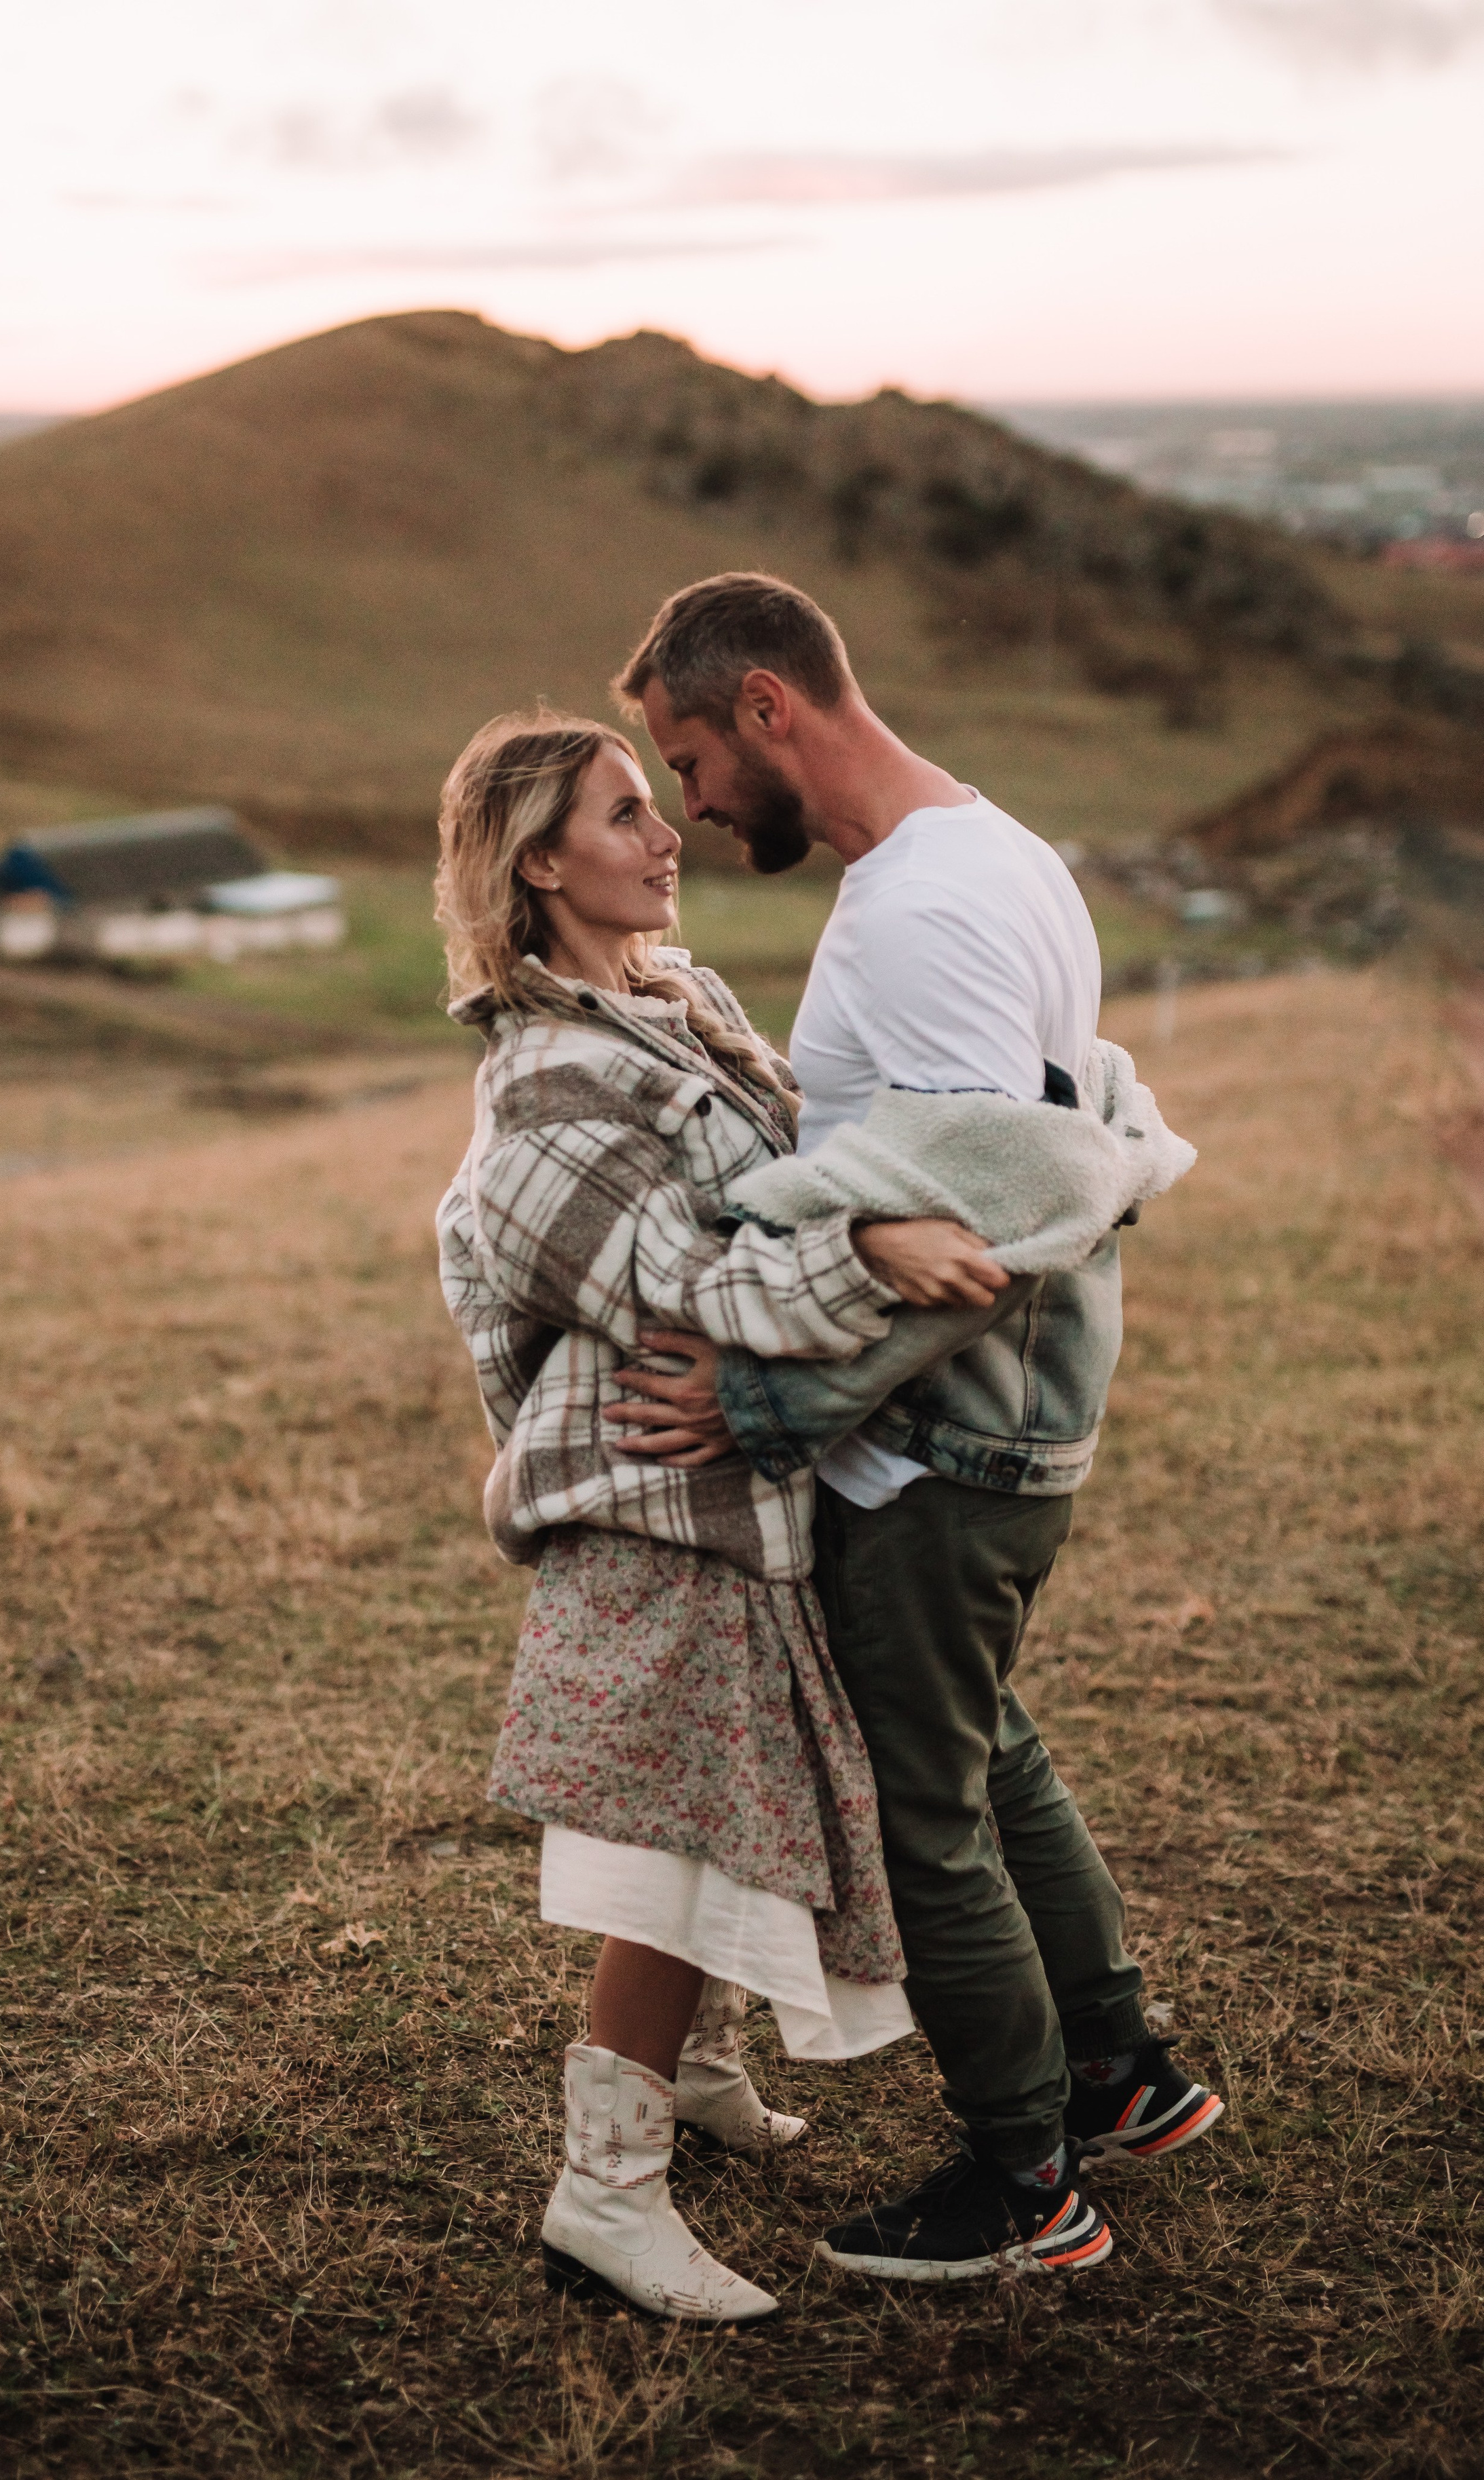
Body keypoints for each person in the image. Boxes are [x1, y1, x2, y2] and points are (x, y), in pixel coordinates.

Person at [606, 573, 1224, 2286]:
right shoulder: (993, 850)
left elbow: (986, 1238)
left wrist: (758, 1400)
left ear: (766, 710)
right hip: (998, 1435)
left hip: (945, 1448)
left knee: (916, 1808)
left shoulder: (915, 915)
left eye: (691, 760)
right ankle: (1120, 2069)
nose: (691, 806)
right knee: (984, 1744)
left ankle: (1023, 2184)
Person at [434, 711, 1061, 2322]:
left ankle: (697, 2073)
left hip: (730, 1485)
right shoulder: (543, 1077)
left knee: (727, 1785)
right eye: (624, 815)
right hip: (652, 1495)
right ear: (536, 866)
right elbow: (701, 1282)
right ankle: (603, 2190)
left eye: (658, 805)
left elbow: (787, 1165)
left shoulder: (676, 996)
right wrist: (876, 1257)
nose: (666, 836)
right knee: (672, 1835)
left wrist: (876, 1208)